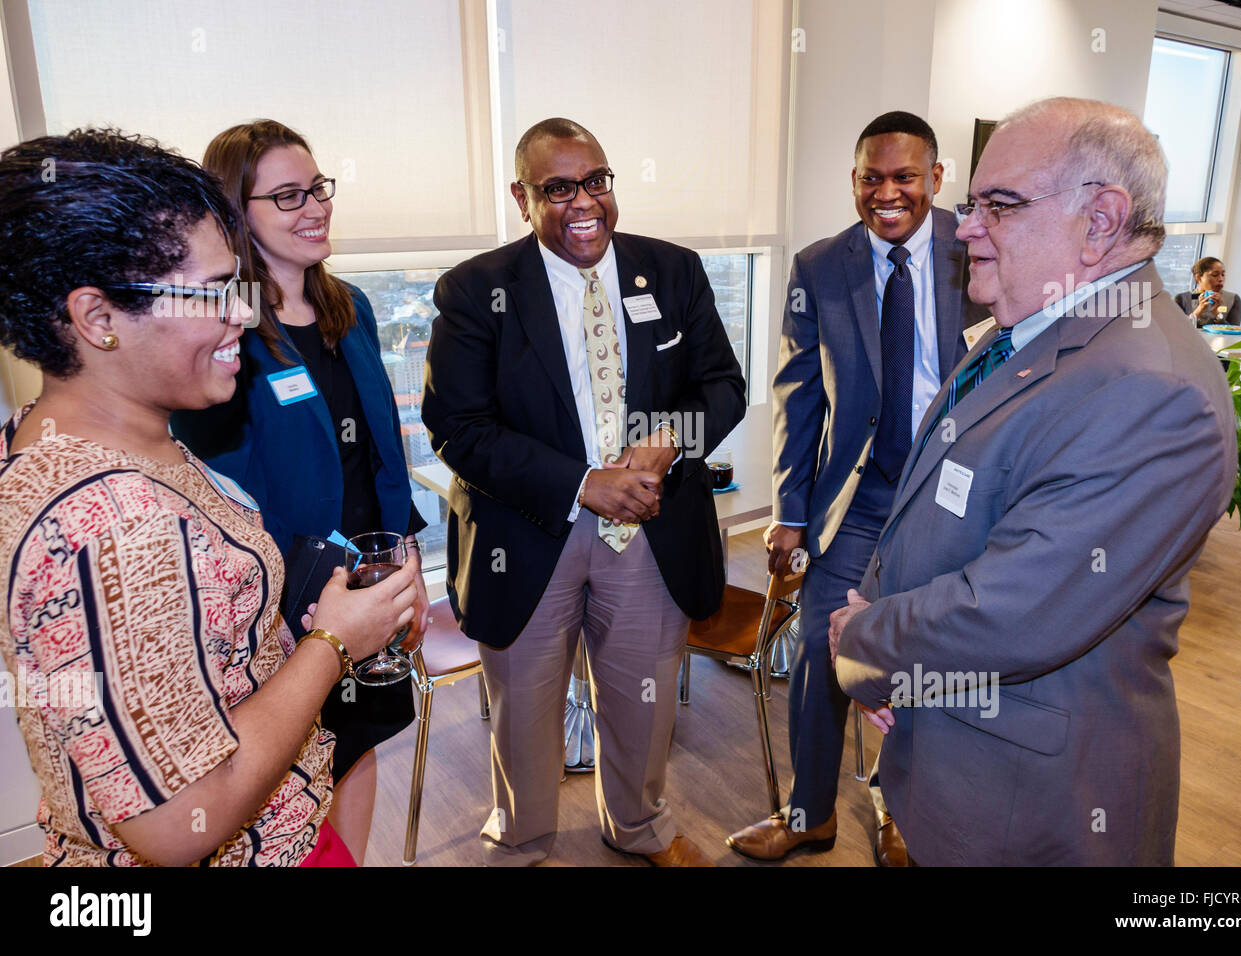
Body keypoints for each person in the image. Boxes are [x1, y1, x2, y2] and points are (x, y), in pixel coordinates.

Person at [830, 97, 1237, 865]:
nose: (966, 227)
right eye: (970, 203)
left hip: (1034, 806)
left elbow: (1012, 612)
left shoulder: (1154, 390)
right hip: (955, 754)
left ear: (1102, 220)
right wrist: (900, 662)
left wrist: (865, 642)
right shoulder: (1036, 329)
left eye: (1000, 205)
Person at [0, 129, 417, 866]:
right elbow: (175, 823)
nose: (238, 313)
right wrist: (331, 644)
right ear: (98, 320)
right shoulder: (110, 524)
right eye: (210, 293)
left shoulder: (81, 441)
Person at [422, 117, 745, 866]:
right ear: (522, 196)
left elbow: (721, 387)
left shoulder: (672, 271)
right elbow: (458, 429)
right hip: (529, 534)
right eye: (557, 188)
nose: (582, 202)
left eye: (595, 181)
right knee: (526, 713)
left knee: (642, 700)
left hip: (652, 528)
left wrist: (670, 441)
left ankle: (638, 827)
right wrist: (584, 484)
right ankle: (524, 840)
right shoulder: (476, 290)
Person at [727, 112, 983, 866]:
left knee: (920, 657)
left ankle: (900, 806)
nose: (888, 192)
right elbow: (798, 396)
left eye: (905, 176)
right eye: (872, 177)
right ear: (854, 182)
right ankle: (809, 813)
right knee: (818, 651)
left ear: (936, 180)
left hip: (950, 495)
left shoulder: (976, 251)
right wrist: (789, 514)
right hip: (857, 500)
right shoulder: (818, 266)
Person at [169, 120, 428, 864]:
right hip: (283, 604)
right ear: (235, 210)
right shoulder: (222, 334)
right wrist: (291, 596)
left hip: (368, 577)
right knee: (294, 771)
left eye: (317, 187)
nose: (314, 206)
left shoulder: (352, 308)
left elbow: (381, 446)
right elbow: (213, 490)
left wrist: (400, 558)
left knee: (361, 743)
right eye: (287, 195)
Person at [1174, 257, 1241, 327]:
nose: (1221, 279)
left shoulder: (1233, 299)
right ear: (1198, 277)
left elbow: (1235, 332)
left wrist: (1217, 314)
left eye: (1223, 274)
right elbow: (1177, 329)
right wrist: (1199, 310)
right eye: (1215, 275)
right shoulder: (1182, 299)